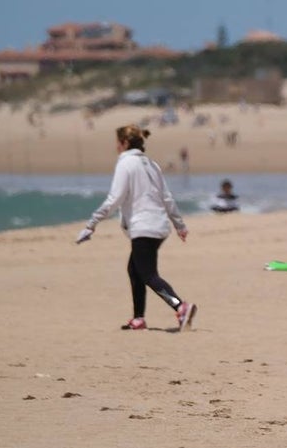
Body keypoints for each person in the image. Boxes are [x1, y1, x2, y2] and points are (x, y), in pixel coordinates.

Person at [77, 124, 197, 332]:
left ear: (124, 143)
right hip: (158, 225)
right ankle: (138, 319)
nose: (116, 147)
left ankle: (180, 306)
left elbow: (114, 199)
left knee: (148, 273)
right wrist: (179, 224)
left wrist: (92, 224)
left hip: (144, 226)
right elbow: (167, 197)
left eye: (117, 142)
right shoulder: (151, 164)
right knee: (135, 270)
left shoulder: (126, 164)